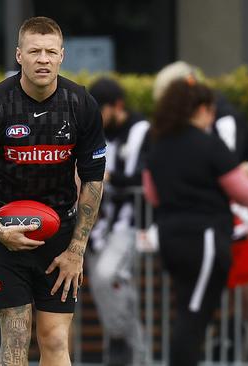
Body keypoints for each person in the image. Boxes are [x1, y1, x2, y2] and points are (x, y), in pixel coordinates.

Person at [0, 16, 106, 365]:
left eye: (50, 51)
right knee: (15, 338)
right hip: (6, 234)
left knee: (55, 340)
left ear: (62, 56)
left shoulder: (81, 104)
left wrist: (76, 250)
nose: (43, 59)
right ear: (19, 55)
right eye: (35, 51)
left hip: (61, 237)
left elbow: (94, 181)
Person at [153, 61, 248, 361]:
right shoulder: (208, 146)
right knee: (195, 314)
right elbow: (242, 191)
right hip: (204, 238)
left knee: (188, 307)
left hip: (170, 235)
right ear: (202, 109)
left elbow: (151, 193)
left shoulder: (158, 145)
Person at [86, 77, 149, 364]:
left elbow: (147, 178)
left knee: (107, 277)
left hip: (128, 223)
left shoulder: (141, 131)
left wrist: (112, 178)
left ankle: (119, 338)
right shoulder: (98, 133)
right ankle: (136, 355)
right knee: (116, 289)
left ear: (118, 106)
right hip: (99, 225)